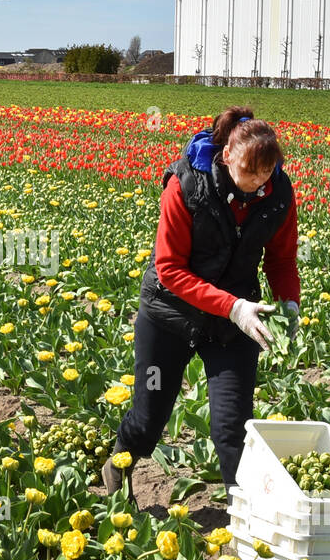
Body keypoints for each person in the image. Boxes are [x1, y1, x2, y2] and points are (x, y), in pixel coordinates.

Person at [104, 107, 300, 504]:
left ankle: (246, 521)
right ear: (226, 156)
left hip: (233, 325)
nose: (258, 182)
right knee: (149, 417)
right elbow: (170, 269)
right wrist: (232, 306)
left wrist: (289, 303)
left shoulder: (277, 194)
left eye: (267, 172)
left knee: (233, 426)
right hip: (169, 314)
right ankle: (119, 463)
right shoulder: (185, 185)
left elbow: (281, 259)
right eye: (250, 172)